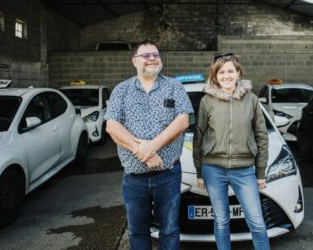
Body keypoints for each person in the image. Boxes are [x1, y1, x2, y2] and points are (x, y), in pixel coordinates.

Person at [105, 40, 194, 250]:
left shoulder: (174, 86)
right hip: (134, 178)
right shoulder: (121, 90)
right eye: (146, 55)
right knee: (137, 232)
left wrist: (152, 146)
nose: (152, 58)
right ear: (134, 61)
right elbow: (112, 127)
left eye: (155, 54)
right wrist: (143, 152)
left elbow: (183, 121)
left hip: (168, 175)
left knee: (170, 230)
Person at [193, 53, 270, 250]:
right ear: (215, 76)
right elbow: (199, 136)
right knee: (221, 221)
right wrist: (199, 171)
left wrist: (260, 172)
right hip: (213, 169)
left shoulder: (251, 99)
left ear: (238, 73)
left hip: (244, 170)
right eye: (221, 72)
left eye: (230, 71)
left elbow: (261, 135)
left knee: (257, 223)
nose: (226, 76)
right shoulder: (206, 101)